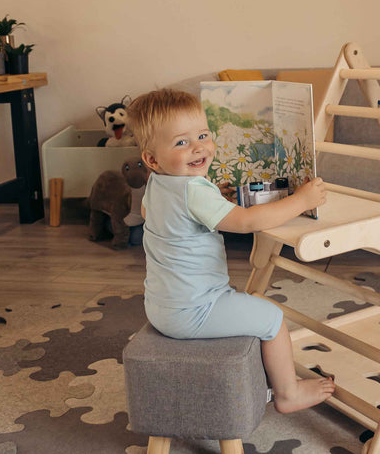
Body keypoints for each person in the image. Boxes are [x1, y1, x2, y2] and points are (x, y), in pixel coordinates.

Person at [128, 88, 335, 414]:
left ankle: (284, 387)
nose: (198, 147)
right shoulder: (193, 191)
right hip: (195, 311)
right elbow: (247, 221)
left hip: (161, 306)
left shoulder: (156, 184)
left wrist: (212, 199)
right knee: (273, 319)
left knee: (252, 304)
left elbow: (150, 213)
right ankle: (288, 393)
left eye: (203, 135)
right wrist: (301, 201)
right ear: (153, 159)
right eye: (181, 142)